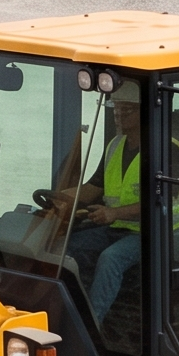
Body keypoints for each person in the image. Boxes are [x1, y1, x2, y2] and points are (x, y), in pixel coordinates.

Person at [58, 83, 144, 327]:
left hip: (154, 235)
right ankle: (63, 309)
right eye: (116, 108)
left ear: (144, 111)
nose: (118, 115)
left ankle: (90, 326)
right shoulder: (115, 146)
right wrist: (57, 200)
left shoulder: (166, 149)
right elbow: (92, 189)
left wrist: (113, 212)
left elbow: (162, 201)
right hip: (116, 228)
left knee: (111, 259)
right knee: (65, 246)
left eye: (126, 110)